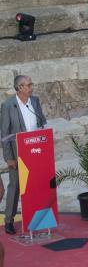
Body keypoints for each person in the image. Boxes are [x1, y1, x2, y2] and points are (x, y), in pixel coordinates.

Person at [1, 75, 47, 235]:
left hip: (36, 151)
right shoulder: (8, 105)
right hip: (18, 153)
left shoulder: (34, 101)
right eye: (28, 85)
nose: (31, 87)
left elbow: (41, 122)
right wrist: (8, 158)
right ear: (19, 87)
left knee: (37, 184)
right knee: (15, 186)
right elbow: (5, 134)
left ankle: (38, 219)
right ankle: (9, 220)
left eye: (31, 84)